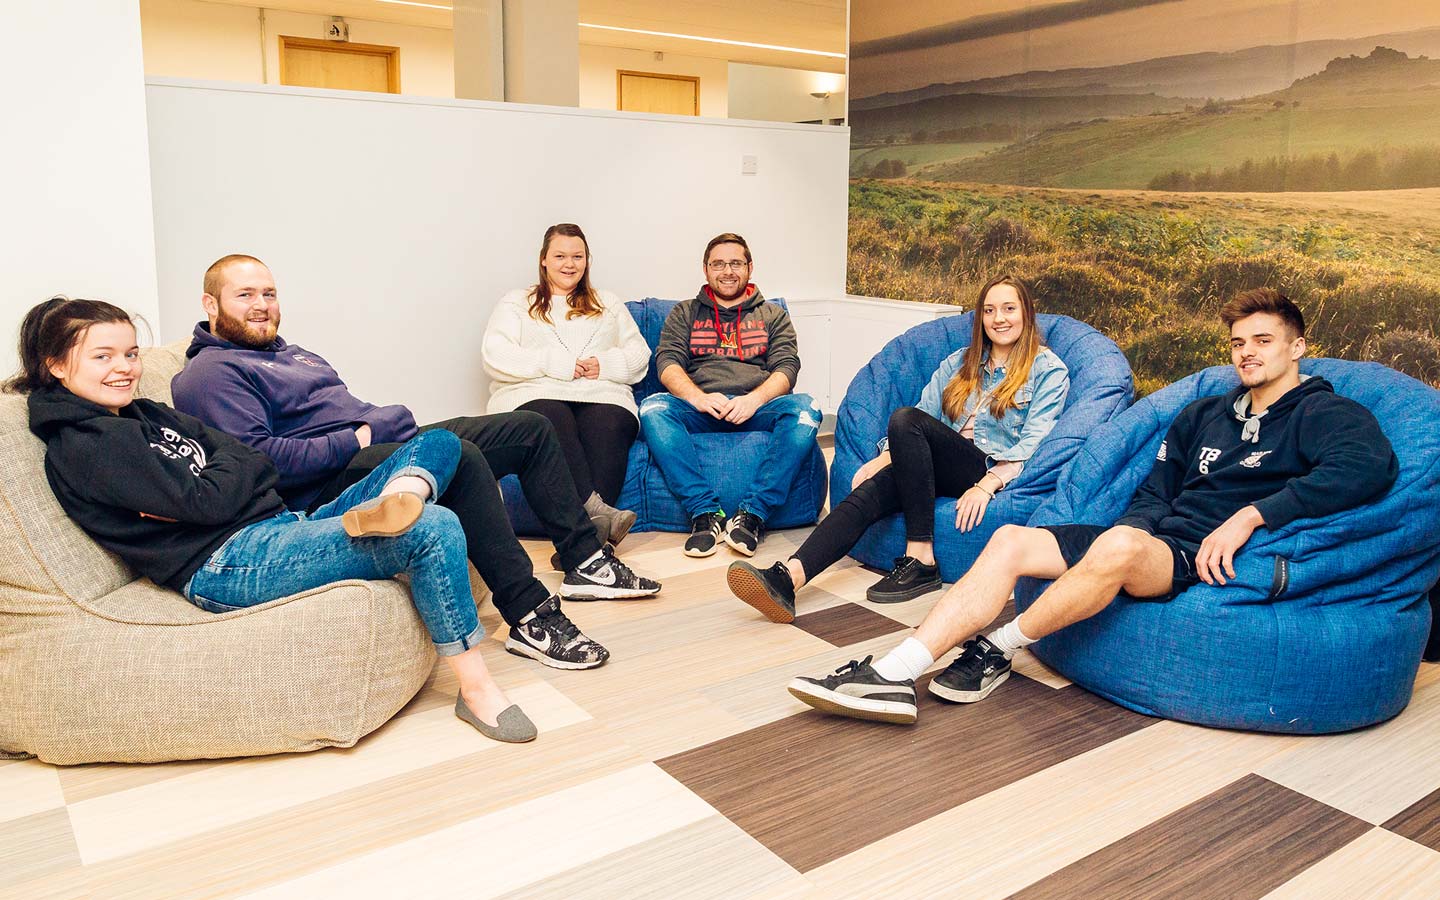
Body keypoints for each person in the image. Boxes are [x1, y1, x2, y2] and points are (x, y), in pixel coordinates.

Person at [787, 288, 1397, 725]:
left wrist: (1250, 517)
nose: (1247, 353)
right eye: (1238, 343)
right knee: (1011, 541)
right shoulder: (1207, 411)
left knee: (1122, 545)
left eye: (1263, 341)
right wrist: (1122, 533)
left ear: (1297, 346)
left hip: (1189, 557)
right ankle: (896, 672)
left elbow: (1366, 469)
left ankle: (999, 645)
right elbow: (1158, 490)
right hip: (1142, 540)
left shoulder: (1326, 412)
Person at [12, 297, 536, 743]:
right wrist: (224, 480)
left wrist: (220, 481)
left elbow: (246, 458)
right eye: (102, 356)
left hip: (280, 524)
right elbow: (213, 497)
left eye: (129, 353)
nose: (123, 367)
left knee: (443, 443)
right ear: (57, 365)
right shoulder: (84, 446)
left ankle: (401, 496)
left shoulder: (143, 414)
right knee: (434, 528)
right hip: (226, 563)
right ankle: (477, 690)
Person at [171, 255, 660, 674]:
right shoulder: (211, 373)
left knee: (528, 427)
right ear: (211, 305)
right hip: (328, 487)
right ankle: (529, 614)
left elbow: (351, 411)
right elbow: (263, 463)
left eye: (269, 293)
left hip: (377, 449)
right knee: (463, 455)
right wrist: (361, 434)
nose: (261, 305)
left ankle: (585, 562)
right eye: (245, 295)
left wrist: (381, 425)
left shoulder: (296, 355)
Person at [727, 275, 1068, 619]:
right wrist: (886, 459)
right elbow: (927, 413)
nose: (999, 319)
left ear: (1026, 313)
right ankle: (790, 577)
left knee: (905, 419)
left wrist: (987, 484)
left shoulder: (1047, 369)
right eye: (990, 310)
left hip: (982, 465)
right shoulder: (961, 363)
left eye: (1009, 309)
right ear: (980, 318)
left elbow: (1034, 444)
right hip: (935, 462)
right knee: (870, 491)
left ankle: (921, 557)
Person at [639, 232, 820, 557]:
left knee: (807, 409)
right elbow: (666, 363)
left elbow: (787, 367)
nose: (727, 271)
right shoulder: (684, 313)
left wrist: (754, 400)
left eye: (735, 263)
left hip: (757, 409)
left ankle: (751, 516)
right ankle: (706, 514)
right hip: (700, 410)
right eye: (718, 264)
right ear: (706, 269)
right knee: (652, 407)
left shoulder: (772, 315)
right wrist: (697, 398)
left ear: (750, 268)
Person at [482, 223, 650, 547]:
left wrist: (605, 364)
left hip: (600, 392)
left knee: (611, 420)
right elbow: (495, 354)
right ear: (544, 259)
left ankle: (583, 545)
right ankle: (598, 520)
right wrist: (556, 364)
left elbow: (639, 355)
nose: (569, 264)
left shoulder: (608, 303)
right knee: (549, 415)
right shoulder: (517, 302)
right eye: (560, 256)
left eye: (577, 256)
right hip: (535, 393)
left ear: (587, 260)